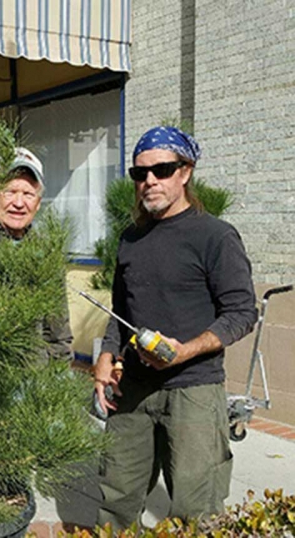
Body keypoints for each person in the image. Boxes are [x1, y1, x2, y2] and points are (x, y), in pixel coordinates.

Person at [94, 126, 258, 529]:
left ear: (185, 172)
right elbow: (121, 308)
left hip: (194, 390)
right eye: (140, 173)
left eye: (161, 169)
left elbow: (241, 312)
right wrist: (105, 357)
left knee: (195, 506)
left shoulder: (215, 236)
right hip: (133, 388)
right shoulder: (130, 238)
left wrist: (184, 350)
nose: (149, 180)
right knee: (116, 496)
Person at [0, 147, 73, 362]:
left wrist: (59, 376)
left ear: (38, 203)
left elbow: (58, 331)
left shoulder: (45, 251)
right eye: (10, 191)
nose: (18, 203)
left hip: (32, 380)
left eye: (28, 194)